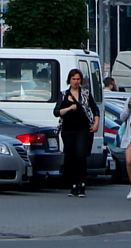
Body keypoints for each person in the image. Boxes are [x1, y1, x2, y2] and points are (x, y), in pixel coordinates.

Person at [53, 68, 100, 197]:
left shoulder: (85, 93)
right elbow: (57, 112)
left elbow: (95, 109)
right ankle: (73, 185)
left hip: (83, 129)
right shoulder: (63, 94)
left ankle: (82, 184)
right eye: (73, 79)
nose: (76, 81)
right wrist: (69, 108)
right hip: (68, 129)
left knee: (81, 155)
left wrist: (96, 123)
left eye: (78, 79)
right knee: (71, 156)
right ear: (69, 80)